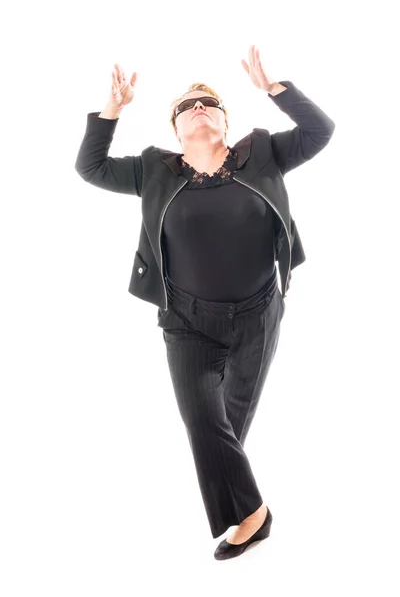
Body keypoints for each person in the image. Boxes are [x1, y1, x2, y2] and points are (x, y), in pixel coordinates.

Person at [75, 45, 335, 560]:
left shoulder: (262, 153)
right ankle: (255, 514)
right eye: (187, 106)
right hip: (188, 321)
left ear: (224, 121)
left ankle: (242, 517)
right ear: (176, 130)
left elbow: (320, 131)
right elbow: (91, 167)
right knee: (203, 423)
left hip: (260, 313)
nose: (198, 107)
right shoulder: (153, 170)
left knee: (229, 427)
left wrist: (275, 88)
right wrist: (112, 111)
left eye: (208, 103)